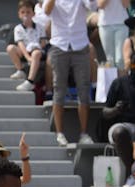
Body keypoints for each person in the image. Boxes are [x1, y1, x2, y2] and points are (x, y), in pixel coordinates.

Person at [45, 0, 97, 146]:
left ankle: (84, 133)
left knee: (83, 89)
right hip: (59, 45)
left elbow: (92, 6)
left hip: (80, 45)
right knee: (59, 89)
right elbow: (47, 11)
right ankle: (60, 133)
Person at [9, 0, 47, 92]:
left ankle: (30, 81)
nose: (25, 14)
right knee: (10, 48)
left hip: (37, 51)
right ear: (19, 14)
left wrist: (38, 47)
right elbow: (20, 44)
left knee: (36, 53)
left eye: (28, 12)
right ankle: (20, 70)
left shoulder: (39, 27)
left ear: (33, 14)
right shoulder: (18, 28)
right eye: (23, 12)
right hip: (25, 51)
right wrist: (27, 57)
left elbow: (43, 41)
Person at [97, 0, 129, 70]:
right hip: (105, 24)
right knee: (110, 60)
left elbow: (126, 4)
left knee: (120, 59)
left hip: (122, 23)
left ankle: (122, 80)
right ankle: (113, 80)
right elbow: (100, 5)